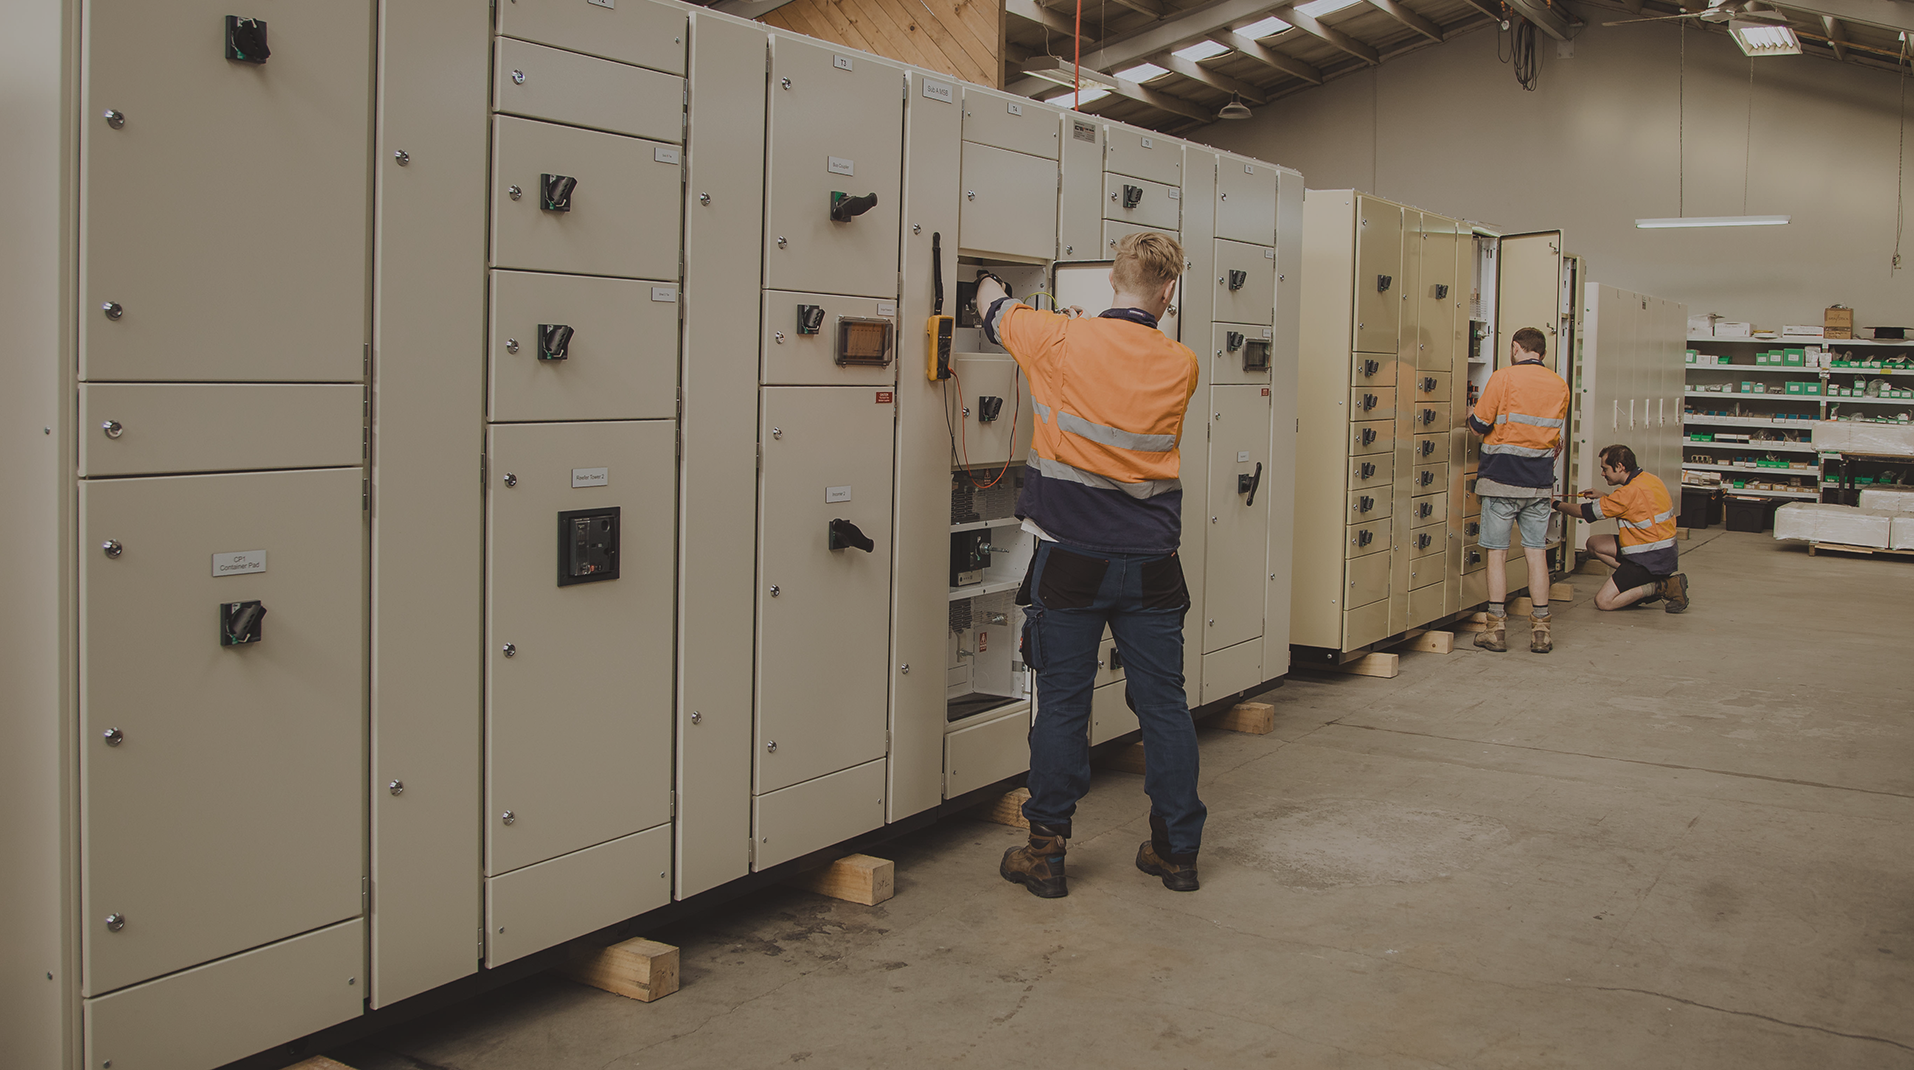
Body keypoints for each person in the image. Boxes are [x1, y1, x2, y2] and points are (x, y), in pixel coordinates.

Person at [972, 232, 1205, 897]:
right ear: (1169, 291)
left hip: (1072, 561)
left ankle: (1044, 854)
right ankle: (1176, 851)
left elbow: (990, 306)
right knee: (1164, 706)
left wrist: (989, 281)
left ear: (1111, 279)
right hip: (1154, 566)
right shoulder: (1181, 363)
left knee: (1064, 707)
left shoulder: (1057, 339)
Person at [1467, 326, 1570, 654]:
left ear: (1516, 348)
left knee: (1496, 554)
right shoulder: (1559, 385)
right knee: (1535, 553)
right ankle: (1541, 630)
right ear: (1541, 352)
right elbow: (1555, 439)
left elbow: (1478, 425)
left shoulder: (1503, 377)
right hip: (1539, 483)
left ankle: (1495, 629)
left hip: (1501, 479)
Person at [1553, 444, 1689, 612]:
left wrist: (1556, 504)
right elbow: (1635, 505)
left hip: (1647, 560)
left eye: (1605, 469)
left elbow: (1584, 512)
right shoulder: (1649, 479)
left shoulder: (1626, 495)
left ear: (1619, 467)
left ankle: (1660, 586)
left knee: (1604, 601)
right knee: (1594, 544)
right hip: (1663, 553)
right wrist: (1604, 496)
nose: (1603, 473)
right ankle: (1640, 582)